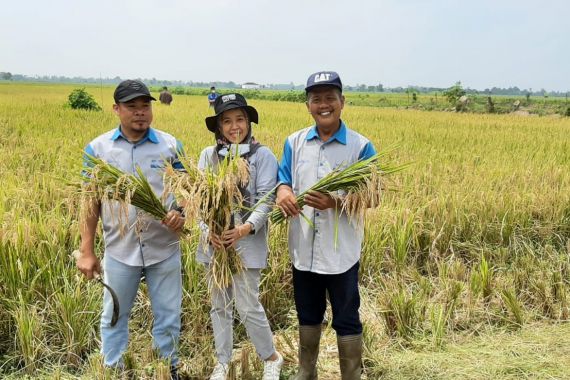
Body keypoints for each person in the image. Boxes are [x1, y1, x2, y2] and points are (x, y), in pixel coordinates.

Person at [76, 79, 186, 379]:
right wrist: (86, 251)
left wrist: (180, 213)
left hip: (164, 247)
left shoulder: (171, 145)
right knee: (113, 315)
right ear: (116, 109)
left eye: (145, 106)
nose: (141, 113)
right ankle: (113, 370)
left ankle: (168, 369)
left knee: (168, 316)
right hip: (120, 249)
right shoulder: (99, 149)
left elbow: (187, 191)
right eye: (132, 107)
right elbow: (89, 201)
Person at [276, 71, 376, 380]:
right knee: (307, 315)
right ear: (308, 105)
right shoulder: (294, 142)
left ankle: (351, 375)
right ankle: (307, 372)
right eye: (316, 99)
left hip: (340, 253)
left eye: (330, 98)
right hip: (303, 249)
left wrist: (335, 202)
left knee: (346, 318)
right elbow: (283, 182)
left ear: (342, 102)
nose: (324, 105)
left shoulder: (361, 146)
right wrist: (285, 194)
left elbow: (372, 196)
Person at [197, 93, 283, 380]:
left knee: (247, 306)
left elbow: (266, 199)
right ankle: (222, 362)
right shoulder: (208, 157)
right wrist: (208, 232)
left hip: (247, 244)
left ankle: (271, 358)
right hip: (215, 247)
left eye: (240, 120)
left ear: (249, 122)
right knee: (219, 305)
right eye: (227, 121)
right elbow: (197, 202)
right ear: (218, 127)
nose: (235, 127)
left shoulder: (263, 155)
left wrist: (245, 228)